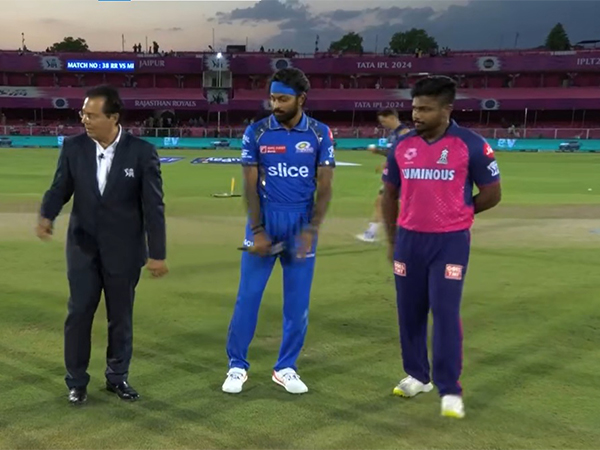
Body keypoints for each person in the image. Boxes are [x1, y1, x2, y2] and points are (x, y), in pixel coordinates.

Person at [36, 85, 168, 405]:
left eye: (92, 115)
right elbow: (60, 188)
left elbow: (154, 206)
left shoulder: (142, 152)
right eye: (83, 114)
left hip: (125, 251)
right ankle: (76, 381)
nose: (85, 120)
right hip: (82, 246)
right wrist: (47, 215)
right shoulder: (73, 147)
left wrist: (158, 253)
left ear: (113, 117)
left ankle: (117, 378)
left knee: (120, 317)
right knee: (79, 312)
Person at [380, 76, 501, 419]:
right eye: (414, 107)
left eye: (425, 109)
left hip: (450, 242)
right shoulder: (403, 146)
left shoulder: (471, 144)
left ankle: (450, 389)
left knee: (445, 315)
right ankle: (418, 376)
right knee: (409, 313)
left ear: (447, 109)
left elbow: (492, 193)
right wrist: (392, 240)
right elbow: (389, 194)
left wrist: (459, 213)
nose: (416, 115)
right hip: (408, 241)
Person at [222, 68, 335, 395]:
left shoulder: (319, 134)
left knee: (297, 304)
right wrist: (257, 230)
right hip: (265, 220)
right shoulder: (256, 132)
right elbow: (250, 185)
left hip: (301, 223)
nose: (275, 104)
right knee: (248, 298)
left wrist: (312, 229)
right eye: (272, 98)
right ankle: (236, 366)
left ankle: (286, 367)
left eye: (283, 99)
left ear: (301, 99)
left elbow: (325, 187)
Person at [356, 109, 410, 243]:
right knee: (382, 201)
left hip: (405, 175)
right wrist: (386, 163)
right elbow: (393, 154)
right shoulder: (392, 135)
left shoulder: (404, 133)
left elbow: (404, 153)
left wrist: (377, 151)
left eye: (384, 121)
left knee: (402, 205)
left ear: (392, 117)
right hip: (395, 174)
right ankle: (372, 232)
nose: (383, 124)